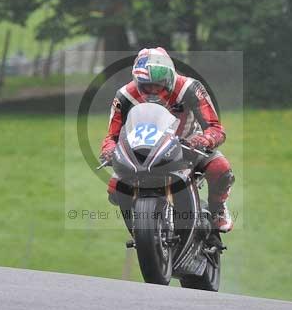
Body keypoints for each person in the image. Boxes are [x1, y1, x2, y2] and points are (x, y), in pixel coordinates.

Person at [100, 47, 235, 234]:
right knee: (116, 186)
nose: (154, 91)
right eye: (147, 86)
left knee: (221, 168)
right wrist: (109, 149)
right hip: (142, 153)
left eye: (159, 85)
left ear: (171, 78)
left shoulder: (190, 88)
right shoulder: (124, 95)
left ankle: (217, 209)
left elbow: (215, 128)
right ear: (137, 82)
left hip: (188, 147)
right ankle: (138, 230)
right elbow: (111, 136)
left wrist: (204, 140)